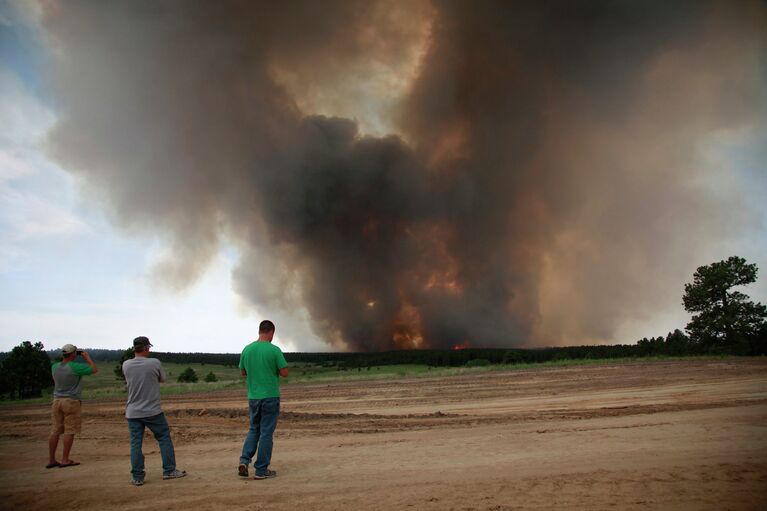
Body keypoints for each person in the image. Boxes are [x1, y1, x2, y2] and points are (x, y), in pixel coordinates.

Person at [122, 336, 186, 486]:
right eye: (148, 348)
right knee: (164, 438)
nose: (149, 350)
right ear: (145, 348)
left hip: (132, 411)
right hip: (152, 411)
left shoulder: (126, 364)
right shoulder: (154, 363)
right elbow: (162, 379)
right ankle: (169, 470)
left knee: (135, 444)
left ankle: (137, 477)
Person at [238, 320, 289, 480]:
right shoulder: (274, 350)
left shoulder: (247, 349)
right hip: (270, 396)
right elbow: (285, 372)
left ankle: (244, 461)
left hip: (253, 397)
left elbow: (243, 373)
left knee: (254, 429)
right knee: (266, 433)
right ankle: (261, 470)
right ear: (271, 332)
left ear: (259, 331)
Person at [48, 344, 98, 469]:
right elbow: (94, 369)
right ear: (73, 354)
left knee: (55, 431)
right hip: (71, 401)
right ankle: (65, 459)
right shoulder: (75, 367)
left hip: (56, 401)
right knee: (69, 430)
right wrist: (87, 357)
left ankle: (51, 459)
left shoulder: (54, 366)